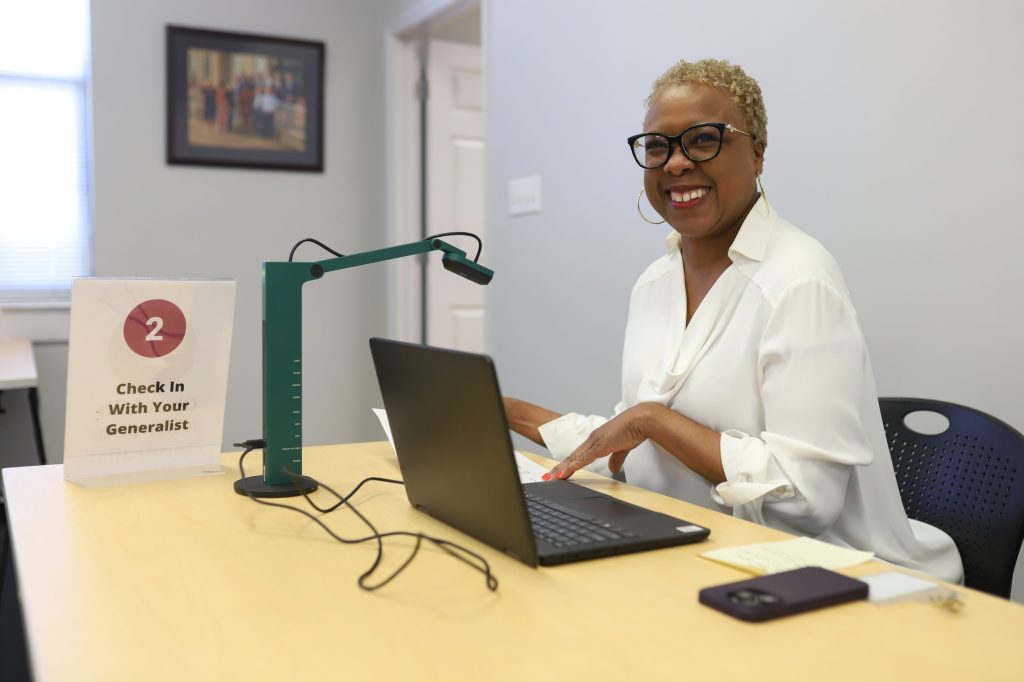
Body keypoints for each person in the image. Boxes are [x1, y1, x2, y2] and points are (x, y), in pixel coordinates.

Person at [503, 58, 963, 583]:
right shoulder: (654, 283)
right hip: (692, 550)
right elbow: (630, 446)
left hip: (830, 575)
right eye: (657, 146)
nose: (675, 163)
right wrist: (505, 411)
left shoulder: (799, 281)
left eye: (703, 140)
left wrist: (652, 419)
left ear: (758, 153)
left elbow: (806, 500)